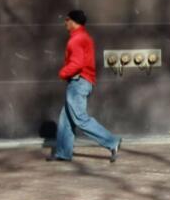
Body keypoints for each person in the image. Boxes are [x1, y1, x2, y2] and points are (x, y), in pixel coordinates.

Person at [47, 10, 121, 162]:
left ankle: (112, 141)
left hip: (78, 83)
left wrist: (62, 73)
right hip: (83, 82)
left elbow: (77, 63)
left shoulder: (76, 39)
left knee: (80, 119)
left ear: (73, 21)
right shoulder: (84, 37)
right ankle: (63, 153)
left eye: (66, 19)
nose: (64, 23)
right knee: (66, 119)